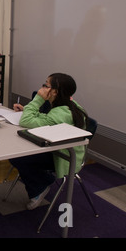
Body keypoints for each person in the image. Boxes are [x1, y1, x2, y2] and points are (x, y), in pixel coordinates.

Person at [10, 73, 89, 210]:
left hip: (62, 156)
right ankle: (40, 181)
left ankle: (41, 184)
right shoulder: (68, 105)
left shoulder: (61, 113)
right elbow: (48, 120)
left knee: (17, 156)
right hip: (56, 147)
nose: (42, 88)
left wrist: (37, 100)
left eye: (46, 85)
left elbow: (26, 122)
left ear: (55, 92)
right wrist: (27, 110)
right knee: (18, 151)